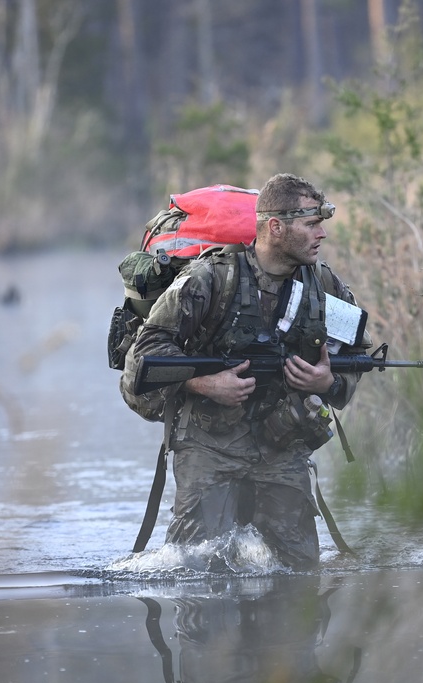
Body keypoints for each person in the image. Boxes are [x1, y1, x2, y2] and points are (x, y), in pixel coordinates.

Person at [123, 173, 367, 570]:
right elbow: (142, 357)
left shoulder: (322, 283)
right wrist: (203, 383)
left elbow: (358, 354)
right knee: (194, 571)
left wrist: (329, 382)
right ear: (275, 227)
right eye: (311, 224)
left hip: (283, 440)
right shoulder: (209, 279)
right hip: (208, 443)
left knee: (298, 577)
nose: (322, 234)